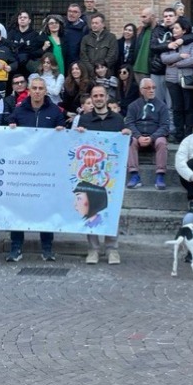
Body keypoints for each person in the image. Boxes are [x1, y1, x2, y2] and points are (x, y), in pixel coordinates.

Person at [5, 76, 66, 261]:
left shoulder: (55, 112)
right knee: (18, 208)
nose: (38, 91)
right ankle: (16, 248)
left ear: (45, 91)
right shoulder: (18, 111)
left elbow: (63, 139)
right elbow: (7, 135)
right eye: (34, 88)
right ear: (28, 90)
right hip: (23, 169)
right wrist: (11, 128)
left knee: (46, 208)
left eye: (41, 88)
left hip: (45, 169)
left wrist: (63, 131)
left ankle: (47, 248)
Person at [75, 84, 130, 265]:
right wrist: (78, 135)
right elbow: (77, 146)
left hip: (111, 174)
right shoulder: (84, 120)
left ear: (106, 97)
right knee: (90, 210)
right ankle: (93, 249)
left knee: (112, 210)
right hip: (90, 173)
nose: (98, 98)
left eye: (101, 95)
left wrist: (126, 136)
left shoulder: (118, 119)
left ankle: (112, 249)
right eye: (95, 96)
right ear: (91, 98)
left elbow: (123, 147)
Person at [124, 79, 171, 190]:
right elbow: (129, 123)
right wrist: (138, 136)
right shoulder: (133, 106)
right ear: (141, 90)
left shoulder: (162, 106)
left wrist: (152, 137)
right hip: (138, 136)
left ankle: (160, 175)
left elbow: (165, 126)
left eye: (153, 88)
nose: (151, 90)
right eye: (148, 88)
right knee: (130, 140)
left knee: (162, 142)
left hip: (155, 136)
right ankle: (134, 175)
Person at [162, 20, 193, 139]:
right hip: (172, 80)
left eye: (177, 28)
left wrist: (177, 64)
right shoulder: (169, 43)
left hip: (187, 79)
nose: (174, 30)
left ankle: (188, 134)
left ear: (184, 30)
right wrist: (180, 56)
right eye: (173, 28)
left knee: (188, 107)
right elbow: (164, 58)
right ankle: (179, 135)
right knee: (176, 108)